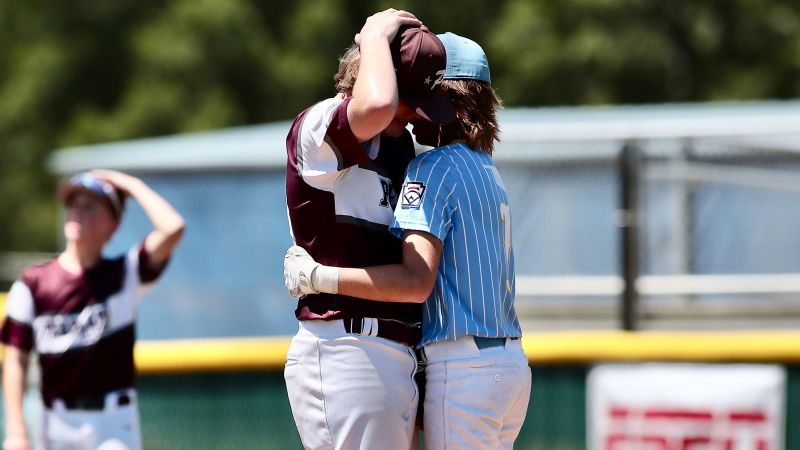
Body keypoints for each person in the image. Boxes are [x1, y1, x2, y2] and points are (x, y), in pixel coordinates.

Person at [285, 33, 531, 450]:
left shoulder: (428, 164)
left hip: (447, 361)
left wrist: (319, 278)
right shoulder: (487, 171)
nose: (417, 118)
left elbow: (416, 281)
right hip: (492, 363)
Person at [283, 8, 455, 450]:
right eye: (410, 97)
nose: (418, 115)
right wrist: (375, 34)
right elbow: (376, 105)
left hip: (394, 355)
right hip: (345, 348)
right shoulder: (318, 124)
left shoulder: (401, 148)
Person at [1, 170, 185, 450]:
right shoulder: (33, 283)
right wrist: (16, 431)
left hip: (113, 423)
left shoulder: (125, 273)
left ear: (113, 226)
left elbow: (173, 228)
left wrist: (129, 185)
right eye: (74, 204)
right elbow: (16, 359)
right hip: (55, 422)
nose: (78, 211)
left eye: (90, 206)